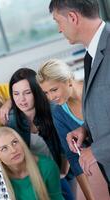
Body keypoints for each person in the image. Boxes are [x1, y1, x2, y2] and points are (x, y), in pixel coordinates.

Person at [49, 0, 110, 189]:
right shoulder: (90, 55)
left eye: (58, 21)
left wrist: (96, 150)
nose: (59, 29)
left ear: (73, 17)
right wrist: (86, 129)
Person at [7, 67, 73, 199]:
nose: (22, 99)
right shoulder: (12, 120)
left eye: (27, 92)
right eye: (16, 94)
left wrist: (64, 168)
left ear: (37, 92)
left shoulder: (54, 110)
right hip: (34, 178)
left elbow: (67, 141)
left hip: (61, 172)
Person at [37, 59, 96, 199]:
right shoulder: (59, 113)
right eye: (46, 93)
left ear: (69, 80)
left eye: (54, 90)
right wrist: (90, 198)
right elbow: (73, 157)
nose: (51, 97)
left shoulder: (95, 92)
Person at [0, 126, 64, 200]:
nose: (13, 150)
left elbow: (56, 197)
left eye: (14, 142)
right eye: (4, 148)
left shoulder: (47, 166)